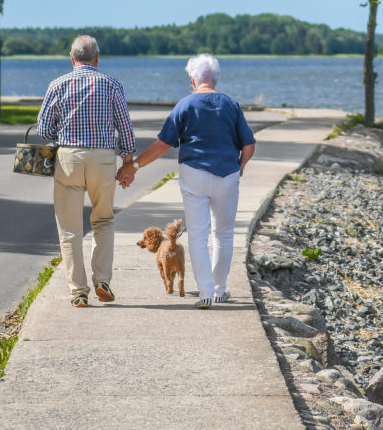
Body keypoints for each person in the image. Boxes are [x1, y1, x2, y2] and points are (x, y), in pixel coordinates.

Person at [118, 53, 255, 309]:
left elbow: (163, 145)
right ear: (215, 78)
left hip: (194, 174)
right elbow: (248, 145)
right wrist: (240, 167)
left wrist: (133, 166)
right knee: (223, 235)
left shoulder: (185, 104)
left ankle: (205, 292)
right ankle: (219, 288)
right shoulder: (231, 105)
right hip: (227, 174)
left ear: (193, 79)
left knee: (198, 236)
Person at [37, 35, 137, 308]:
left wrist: (64, 131)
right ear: (97, 57)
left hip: (69, 157)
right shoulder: (112, 84)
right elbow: (125, 129)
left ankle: (78, 291)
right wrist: (128, 162)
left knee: (69, 229)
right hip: (103, 159)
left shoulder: (57, 85)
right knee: (103, 219)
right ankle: (102, 280)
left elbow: (44, 130)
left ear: (72, 58)